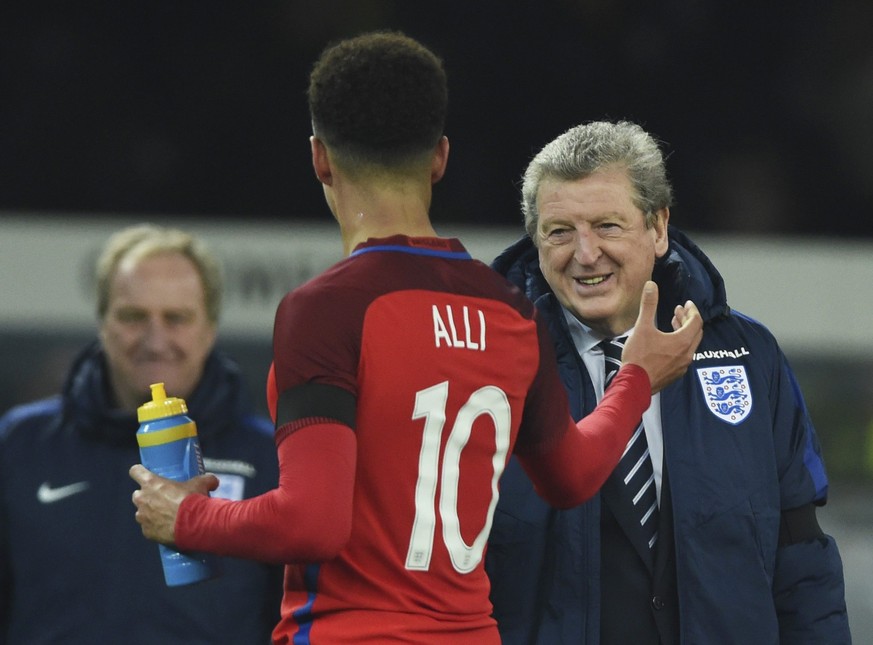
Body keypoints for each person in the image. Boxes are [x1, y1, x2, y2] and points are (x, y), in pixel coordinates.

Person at [126, 32, 702, 644]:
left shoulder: (325, 309)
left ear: (321, 159)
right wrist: (635, 379)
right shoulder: (511, 311)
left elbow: (313, 523)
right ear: (440, 158)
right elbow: (571, 477)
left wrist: (189, 517)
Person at [484, 119, 852, 644]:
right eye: (559, 231)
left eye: (608, 226)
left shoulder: (750, 357)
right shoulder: (490, 367)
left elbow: (801, 559)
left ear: (657, 228)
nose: (585, 254)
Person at [0, 224, 283, 644]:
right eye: (134, 316)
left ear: (210, 329)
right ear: (102, 322)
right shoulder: (21, 443)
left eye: (177, 318)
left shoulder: (270, 460)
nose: (156, 339)